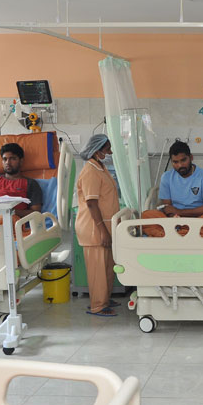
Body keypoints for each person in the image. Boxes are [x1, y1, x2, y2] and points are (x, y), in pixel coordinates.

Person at [75, 134, 120, 317]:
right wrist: (103, 231)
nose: (110, 152)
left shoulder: (100, 168)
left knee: (107, 267)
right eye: (107, 149)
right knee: (98, 270)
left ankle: (105, 299)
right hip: (94, 228)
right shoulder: (90, 171)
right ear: (96, 150)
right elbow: (92, 203)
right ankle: (98, 305)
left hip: (105, 226)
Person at [158, 141, 203, 216]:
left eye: (183, 160)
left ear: (191, 157)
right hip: (176, 217)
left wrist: (180, 212)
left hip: (199, 217)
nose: (180, 165)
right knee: (148, 215)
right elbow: (168, 208)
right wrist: (175, 217)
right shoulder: (166, 177)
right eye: (175, 162)